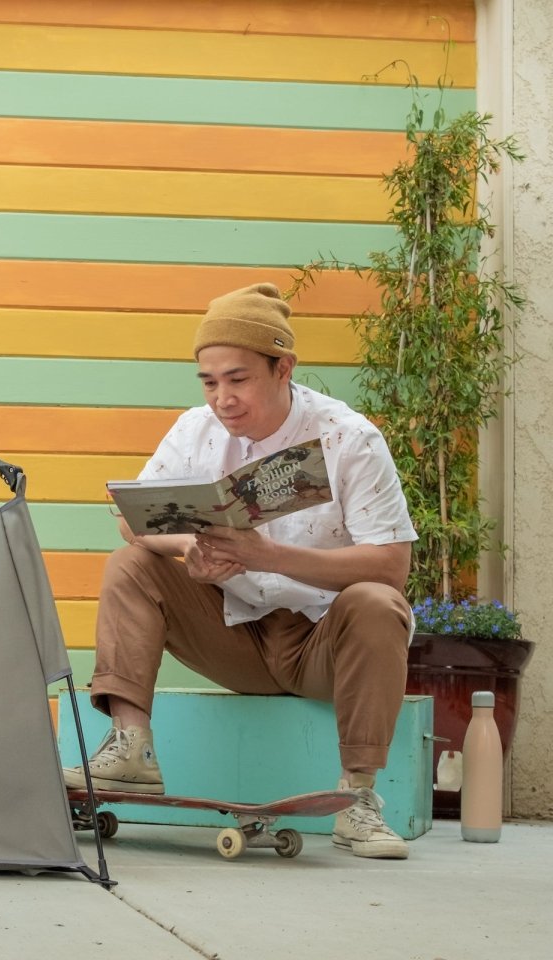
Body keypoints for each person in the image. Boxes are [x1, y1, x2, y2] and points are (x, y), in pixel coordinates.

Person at [63, 282, 417, 860]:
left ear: (284, 368)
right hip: (232, 633)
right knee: (133, 561)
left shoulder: (349, 438)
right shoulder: (194, 430)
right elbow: (135, 523)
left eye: (238, 378)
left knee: (378, 602)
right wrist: (189, 550)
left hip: (321, 644)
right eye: (209, 381)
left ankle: (357, 799)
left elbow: (391, 567)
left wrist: (267, 554)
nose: (222, 398)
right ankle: (132, 747)